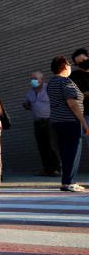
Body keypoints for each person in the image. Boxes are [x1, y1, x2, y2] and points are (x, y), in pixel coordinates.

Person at [48, 56, 89, 192]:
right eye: (69, 64)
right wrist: (83, 122)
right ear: (65, 66)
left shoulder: (51, 82)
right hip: (71, 121)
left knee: (65, 152)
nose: (70, 67)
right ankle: (70, 182)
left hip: (58, 122)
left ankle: (66, 182)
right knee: (73, 152)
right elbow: (72, 103)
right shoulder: (65, 81)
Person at [22, 72, 61, 176]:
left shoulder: (49, 89)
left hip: (49, 121)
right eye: (32, 78)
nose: (33, 81)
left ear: (42, 79)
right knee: (42, 146)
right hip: (37, 123)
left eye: (35, 78)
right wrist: (25, 104)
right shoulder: (30, 92)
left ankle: (57, 169)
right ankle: (47, 169)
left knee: (52, 145)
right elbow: (26, 103)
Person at [69, 48, 89, 175]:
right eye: (79, 63)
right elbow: (75, 96)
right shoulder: (74, 77)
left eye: (84, 60)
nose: (82, 63)